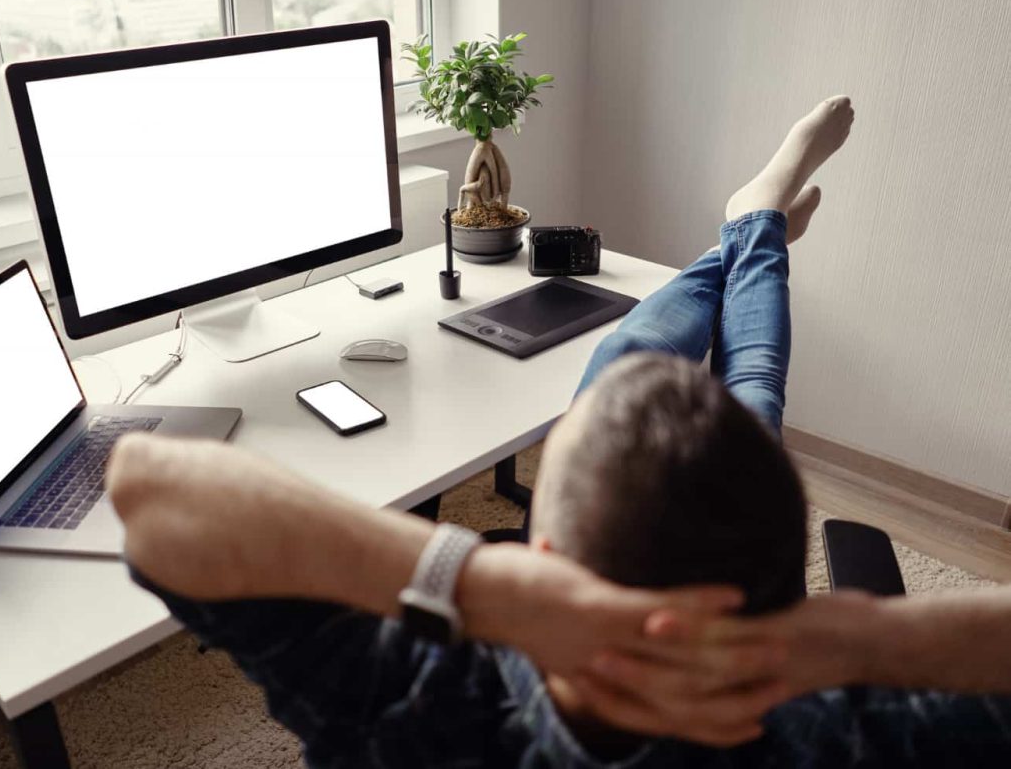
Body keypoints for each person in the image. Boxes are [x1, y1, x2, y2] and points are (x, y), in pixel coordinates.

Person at [108, 97, 1011, 767]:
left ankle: (748, 230)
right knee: (745, 392)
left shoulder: (424, 711)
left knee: (654, 372)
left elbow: (148, 486)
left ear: (539, 551)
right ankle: (754, 224)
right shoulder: (854, 738)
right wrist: (853, 643)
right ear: (780, 588)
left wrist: (488, 587)